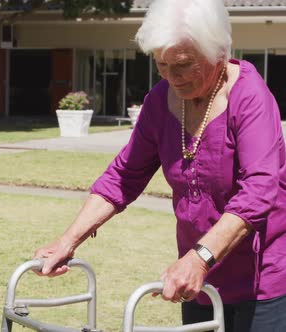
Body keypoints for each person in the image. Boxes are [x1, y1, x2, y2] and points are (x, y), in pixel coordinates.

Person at [33, 0, 286, 331]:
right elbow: (124, 176)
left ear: (218, 53)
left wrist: (199, 258)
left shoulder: (249, 97)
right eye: (161, 65)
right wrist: (67, 240)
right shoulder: (160, 100)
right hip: (198, 278)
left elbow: (259, 189)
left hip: (261, 280)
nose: (171, 77)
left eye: (181, 64)